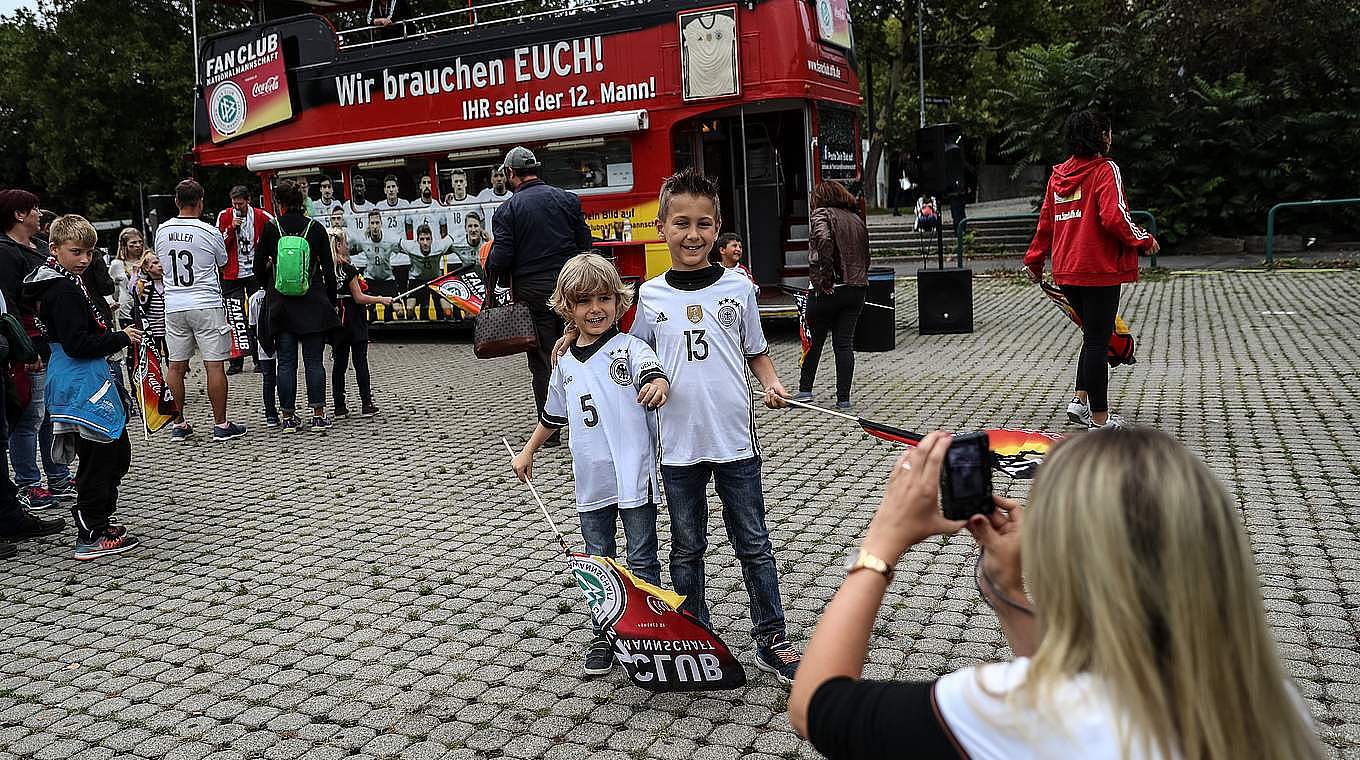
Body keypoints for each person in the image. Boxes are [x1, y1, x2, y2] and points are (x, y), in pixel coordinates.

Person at [790, 427, 1324, 760]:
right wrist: (1006, 589)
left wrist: (882, 542)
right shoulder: (1266, 700)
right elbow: (1079, 675)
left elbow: (818, 708)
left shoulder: (1012, 709)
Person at [623, 167, 800, 683]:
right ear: (661, 227)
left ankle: (772, 635)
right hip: (677, 448)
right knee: (687, 546)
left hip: (734, 444)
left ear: (718, 226)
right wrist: (575, 342)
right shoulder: (650, 298)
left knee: (754, 543)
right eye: (681, 223)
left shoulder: (739, 290)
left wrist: (770, 382)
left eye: (704, 224)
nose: (693, 235)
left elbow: (756, 352)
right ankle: (693, 633)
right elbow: (630, 355)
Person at [513, 253, 669, 676]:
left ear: (619, 301)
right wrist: (528, 452)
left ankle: (649, 628)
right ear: (567, 307)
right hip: (591, 482)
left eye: (604, 298)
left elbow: (651, 372)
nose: (595, 309)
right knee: (598, 559)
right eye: (583, 301)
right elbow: (553, 416)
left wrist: (656, 382)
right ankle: (606, 630)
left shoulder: (631, 349)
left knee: (642, 557)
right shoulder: (563, 361)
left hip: (635, 477)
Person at [1024, 110, 1159, 429]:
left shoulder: (1058, 176)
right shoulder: (1105, 170)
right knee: (1099, 340)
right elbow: (1115, 217)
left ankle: (1080, 401)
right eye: (1108, 132)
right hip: (1098, 269)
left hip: (1068, 270)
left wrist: (1035, 260)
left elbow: (1045, 222)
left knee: (1093, 337)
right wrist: (1145, 239)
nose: (1111, 138)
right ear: (1100, 137)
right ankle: (1100, 420)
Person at [23, 215, 143, 560]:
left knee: (114, 453)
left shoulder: (68, 282)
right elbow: (77, 343)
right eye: (76, 251)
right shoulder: (61, 289)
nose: (84, 259)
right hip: (80, 380)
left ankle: (99, 518)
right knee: (101, 456)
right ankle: (91, 529)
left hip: (84, 376)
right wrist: (120, 337)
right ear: (55, 249)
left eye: (89, 253)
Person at [485, 146, 592, 448]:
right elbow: (585, 242)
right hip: (571, 288)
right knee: (580, 351)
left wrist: (492, 266)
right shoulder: (567, 199)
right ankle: (590, 420)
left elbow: (502, 256)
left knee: (544, 360)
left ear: (510, 173)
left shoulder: (507, 210)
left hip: (534, 296)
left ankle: (552, 432)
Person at [156, 179, 248, 444]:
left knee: (175, 366)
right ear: (201, 201)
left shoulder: (162, 230)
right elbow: (223, 261)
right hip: (205, 302)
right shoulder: (209, 231)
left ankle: (179, 423)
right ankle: (220, 424)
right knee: (214, 364)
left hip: (174, 304)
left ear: (176, 201)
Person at [0, 188, 75, 509]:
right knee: (31, 416)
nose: (39, 213)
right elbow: (9, 303)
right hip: (29, 343)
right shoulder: (5, 251)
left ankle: (58, 476)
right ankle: (28, 483)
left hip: (52, 342)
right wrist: (23, 350)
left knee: (53, 414)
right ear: (19, 214)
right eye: (34, 208)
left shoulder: (41, 247)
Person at [254, 178, 339, 433]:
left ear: (278, 202)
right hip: (312, 302)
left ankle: (289, 418)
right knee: (314, 361)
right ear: (302, 201)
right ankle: (318, 415)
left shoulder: (271, 228)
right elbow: (329, 270)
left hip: (281, 304)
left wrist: (269, 282)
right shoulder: (315, 228)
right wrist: (330, 302)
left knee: (286, 363)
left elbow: (258, 266)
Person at [795, 181, 869, 410]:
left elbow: (824, 241)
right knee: (844, 344)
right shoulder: (855, 218)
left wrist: (825, 277)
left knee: (814, 340)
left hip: (830, 288)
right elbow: (866, 253)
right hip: (856, 287)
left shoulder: (821, 214)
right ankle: (843, 398)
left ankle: (805, 390)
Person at [327, 226, 393, 418]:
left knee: (339, 364)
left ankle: (339, 406)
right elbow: (358, 297)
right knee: (360, 362)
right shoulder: (348, 269)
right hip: (354, 321)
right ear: (338, 245)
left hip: (337, 321)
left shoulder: (326, 269)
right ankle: (366, 403)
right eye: (345, 243)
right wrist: (381, 299)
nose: (348, 246)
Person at [216, 185, 273, 375]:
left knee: (257, 315)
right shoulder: (225, 215)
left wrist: (269, 259)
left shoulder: (261, 216)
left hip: (255, 273)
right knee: (234, 316)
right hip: (232, 273)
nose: (237, 207)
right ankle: (236, 361)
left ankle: (260, 358)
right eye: (234, 203)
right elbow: (219, 244)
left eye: (240, 203)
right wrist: (231, 228)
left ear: (248, 201)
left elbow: (275, 233)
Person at [350, 210, 401, 321]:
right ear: (368, 224)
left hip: (387, 278)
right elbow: (350, 251)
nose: (375, 226)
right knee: (368, 309)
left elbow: (405, 250)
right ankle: (369, 333)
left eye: (377, 223)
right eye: (372, 223)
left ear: (381, 224)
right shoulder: (362, 241)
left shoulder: (390, 240)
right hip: (370, 278)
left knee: (398, 310)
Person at [403, 224, 451, 320]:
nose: (425, 243)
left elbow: (453, 239)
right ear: (417, 241)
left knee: (447, 310)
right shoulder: (410, 247)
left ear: (432, 239)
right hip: (417, 280)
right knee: (409, 309)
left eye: (427, 239)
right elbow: (393, 243)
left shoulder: (440, 247)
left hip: (435, 280)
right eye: (422, 239)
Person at [132, 252, 168, 358]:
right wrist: (135, 273)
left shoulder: (168, 284)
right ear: (147, 268)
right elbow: (132, 291)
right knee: (153, 357)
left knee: (172, 357)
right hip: (152, 329)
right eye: (156, 262)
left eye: (161, 261)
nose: (160, 265)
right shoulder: (145, 285)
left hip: (168, 329)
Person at [110, 228, 144, 328]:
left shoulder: (147, 261)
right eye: (134, 242)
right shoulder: (117, 264)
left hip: (147, 309)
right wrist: (112, 303)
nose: (138, 245)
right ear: (124, 245)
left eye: (140, 242)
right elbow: (111, 289)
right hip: (126, 311)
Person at [475, 166, 512, 232]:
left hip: (506, 238)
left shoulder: (511, 197)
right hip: (490, 239)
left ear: (506, 178)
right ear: (491, 179)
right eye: (495, 176)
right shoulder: (484, 195)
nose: (499, 179)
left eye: (501, 175)